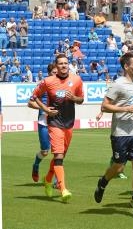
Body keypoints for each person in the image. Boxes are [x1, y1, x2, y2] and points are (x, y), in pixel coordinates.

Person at [93, 53, 133, 217]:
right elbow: (105, 106)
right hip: (120, 133)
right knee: (119, 166)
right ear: (126, 66)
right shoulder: (117, 85)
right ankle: (103, 182)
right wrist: (124, 109)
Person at [32, 54, 84, 201]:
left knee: (60, 157)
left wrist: (74, 98)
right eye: (60, 63)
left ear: (69, 65)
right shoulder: (48, 81)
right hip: (54, 123)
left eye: (66, 63)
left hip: (69, 124)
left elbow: (81, 99)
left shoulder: (76, 80)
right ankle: (63, 189)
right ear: (56, 65)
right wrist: (46, 110)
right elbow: (34, 96)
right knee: (58, 156)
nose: (63, 66)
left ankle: (48, 179)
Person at [29, 64, 57, 182]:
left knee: (58, 153)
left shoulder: (62, 85)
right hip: (44, 122)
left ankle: (57, 180)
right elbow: (30, 103)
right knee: (45, 151)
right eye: (53, 72)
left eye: (57, 72)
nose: (56, 74)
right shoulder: (42, 85)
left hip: (57, 122)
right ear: (49, 73)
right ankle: (35, 165)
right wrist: (44, 109)